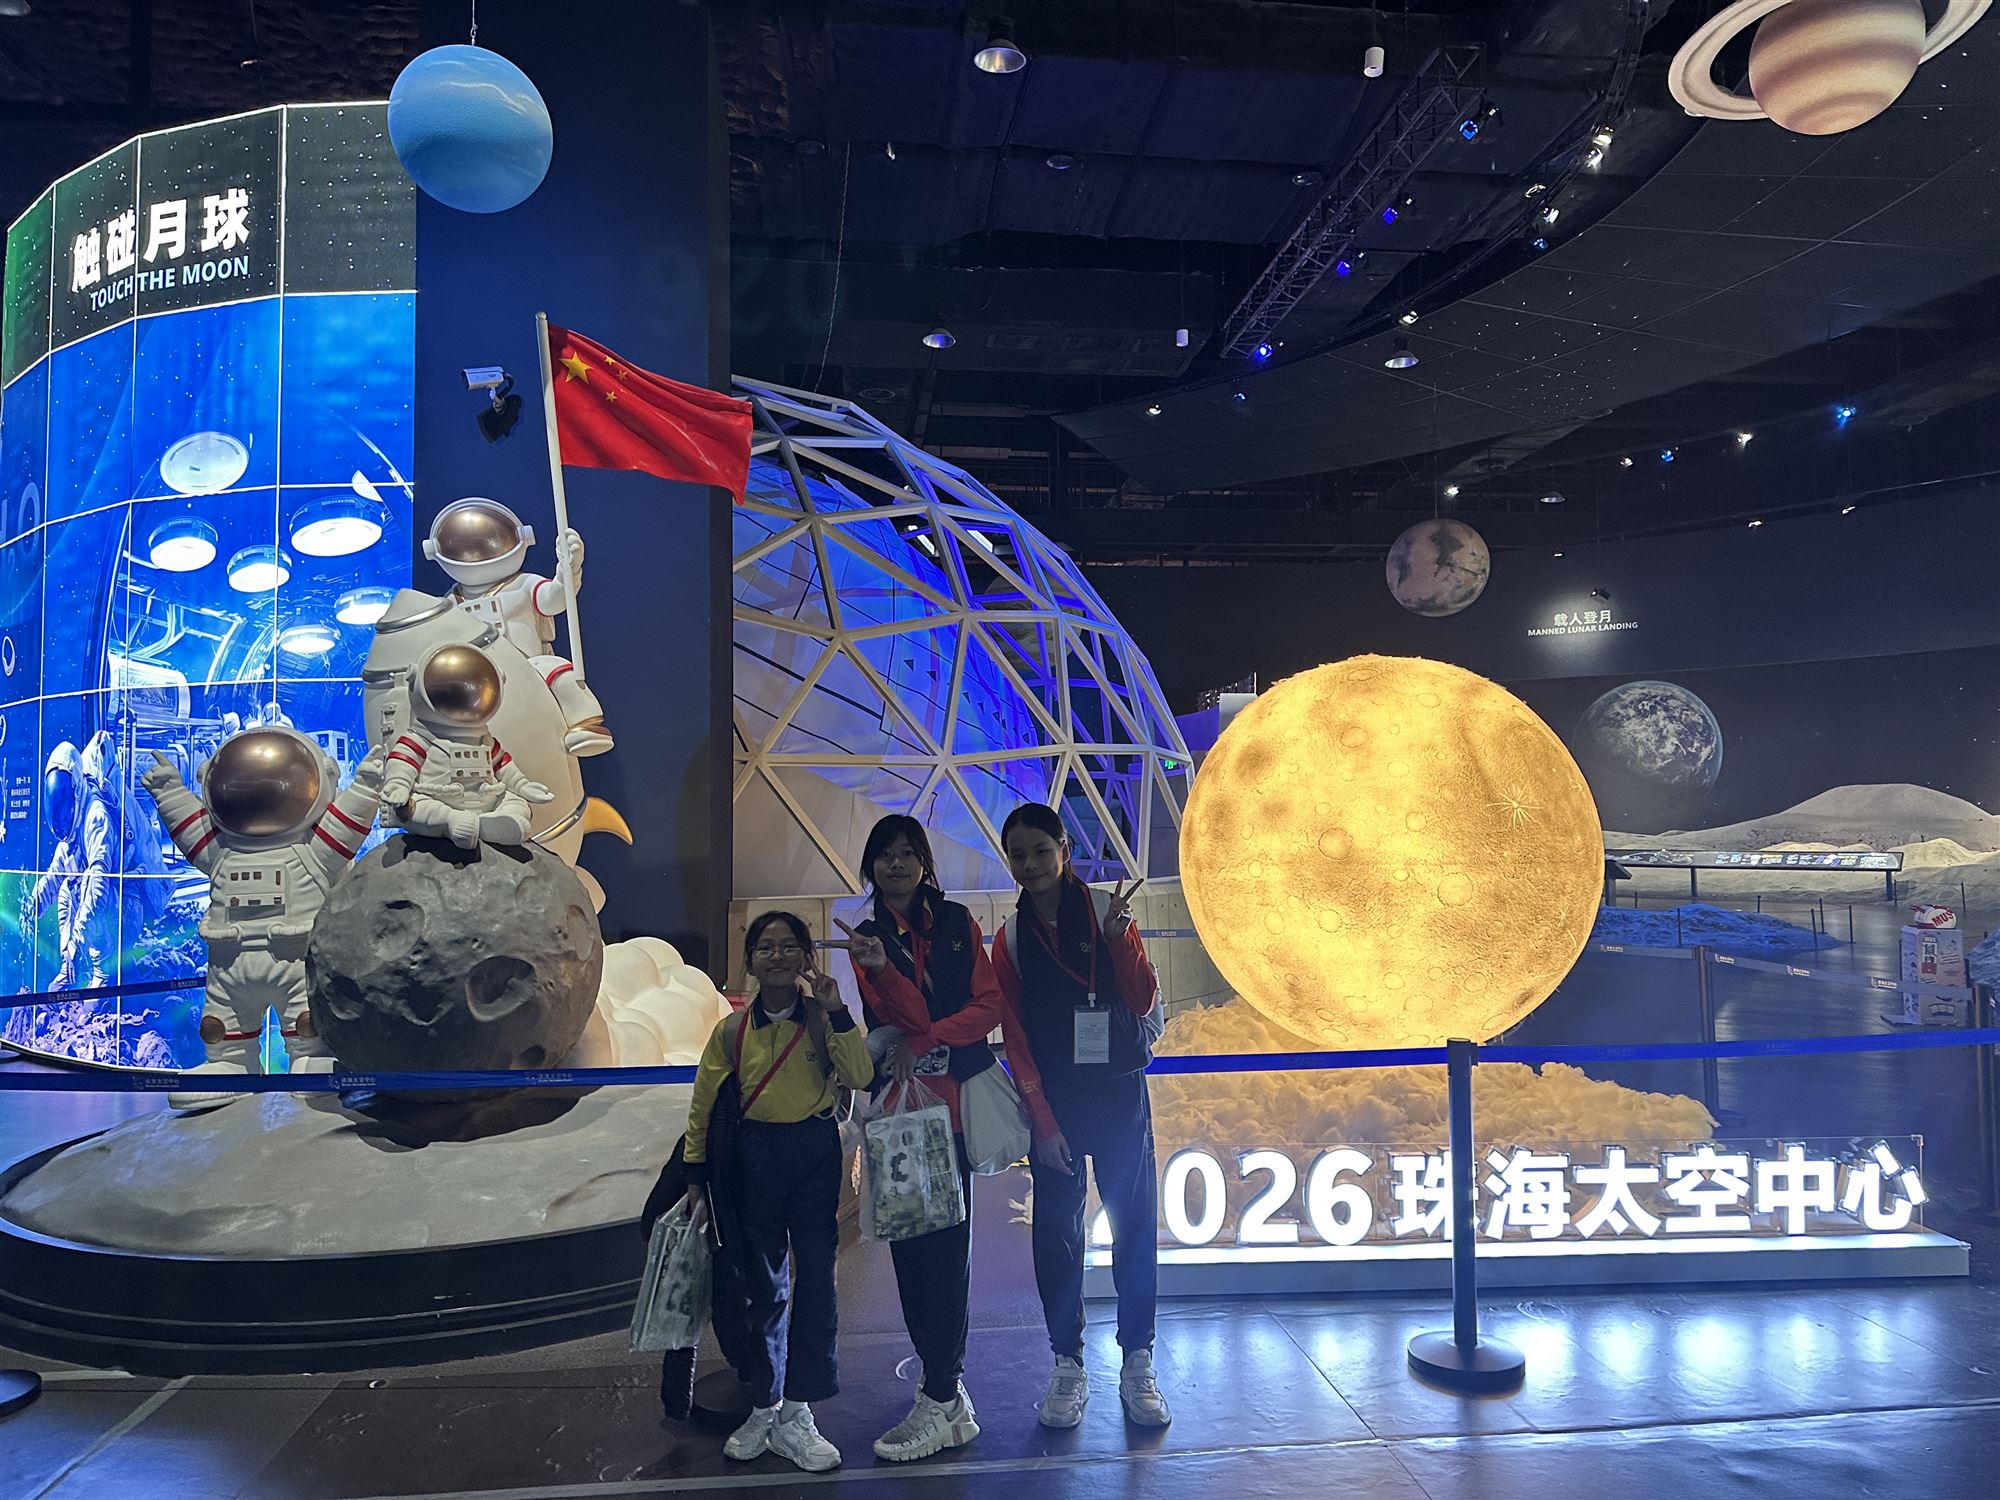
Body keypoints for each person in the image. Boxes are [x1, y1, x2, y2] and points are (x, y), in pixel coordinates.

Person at [990, 804, 1170, 1430]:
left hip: (1119, 1093)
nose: (1031, 865)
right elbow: (1015, 1037)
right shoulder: (1011, 939)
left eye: (1042, 850)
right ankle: (1067, 1361)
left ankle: (1138, 1359)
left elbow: (1143, 998)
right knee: (1057, 1236)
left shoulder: (1103, 911)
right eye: (1018, 855)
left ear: (1065, 850)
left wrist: (1121, 938)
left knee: (1133, 1226)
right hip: (1058, 1102)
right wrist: (1042, 1122)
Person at [836, 815, 1005, 1463]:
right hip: (903, 1114)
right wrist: (885, 973)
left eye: (908, 853)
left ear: (925, 862)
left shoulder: (957, 923)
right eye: (885, 855)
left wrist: (931, 1035)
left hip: (953, 1110)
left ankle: (943, 1394)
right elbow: (900, 1016)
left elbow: (989, 1006)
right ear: (870, 866)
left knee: (949, 1254)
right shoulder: (868, 938)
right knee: (912, 1255)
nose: (897, 864)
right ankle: (943, 1392)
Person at [683, 911, 873, 1473]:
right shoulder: (732, 1031)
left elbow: (861, 1075)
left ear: (807, 958)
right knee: (763, 1287)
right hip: (756, 1159)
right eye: (765, 947)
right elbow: (702, 1103)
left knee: (817, 1281)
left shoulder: (822, 1019)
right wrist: (695, 1173)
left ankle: (799, 1409)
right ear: (750, 960)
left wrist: (838, 1009)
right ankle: (765, 1404)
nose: (778, 956)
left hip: (813, 1156)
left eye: (790, 946)